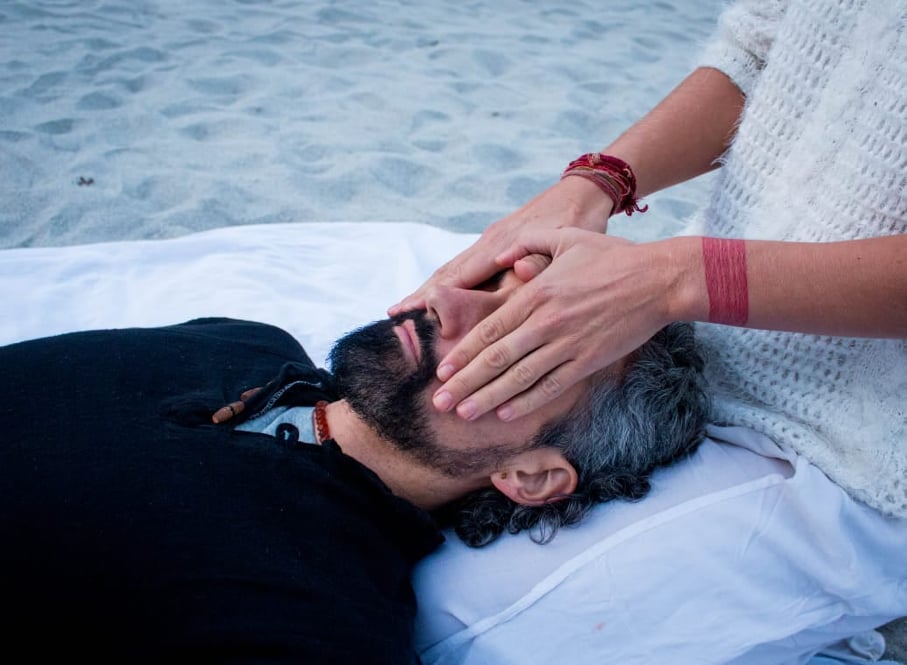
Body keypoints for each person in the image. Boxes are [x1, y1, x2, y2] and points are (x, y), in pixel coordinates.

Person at [0, 268, 708, 663]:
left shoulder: (308, 615)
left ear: (529, 476)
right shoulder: (242, 340)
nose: (450, 305)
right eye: (499, 291)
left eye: (522, 347)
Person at [390, 0, 906, 525]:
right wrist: (599, 181)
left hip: (852, 445)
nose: (441, 302)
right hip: (696, 320)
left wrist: (677, 277)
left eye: (521, 338)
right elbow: (765, 46)